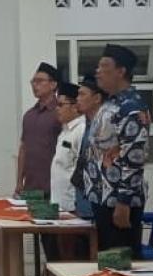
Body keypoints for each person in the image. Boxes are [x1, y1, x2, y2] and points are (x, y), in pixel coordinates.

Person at [84, 45, 149, 253]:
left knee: (120, 261)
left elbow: (134, 157)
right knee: (106, 259)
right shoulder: (110, 103)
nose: (98, 72)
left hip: (118, 201)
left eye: (104, 67)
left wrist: (124, 202)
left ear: (121, 71)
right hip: (102, 196)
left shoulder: (131, 107)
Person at [14, 62, 61, 196]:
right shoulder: (29, 115)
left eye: (40, 81)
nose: (35, 85)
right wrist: (19, 181)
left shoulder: (60, 112)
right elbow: (23, 148)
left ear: (53, 84)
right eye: (33, 81)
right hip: (31, 187)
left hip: (54, 187)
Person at [70, 75, 105, 219]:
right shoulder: (87, 125)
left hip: (99, 203)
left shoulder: (104, 126)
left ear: (97, 98)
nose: (77, 99)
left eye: (82, 94)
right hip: (83, 201)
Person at [49, 81, 84, 215]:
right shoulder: (65, 131)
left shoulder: (81, 130)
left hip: (73, 205)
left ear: (75, 106)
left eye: (61, 105)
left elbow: (82, 170)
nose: (57, 109)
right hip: (60, 204)